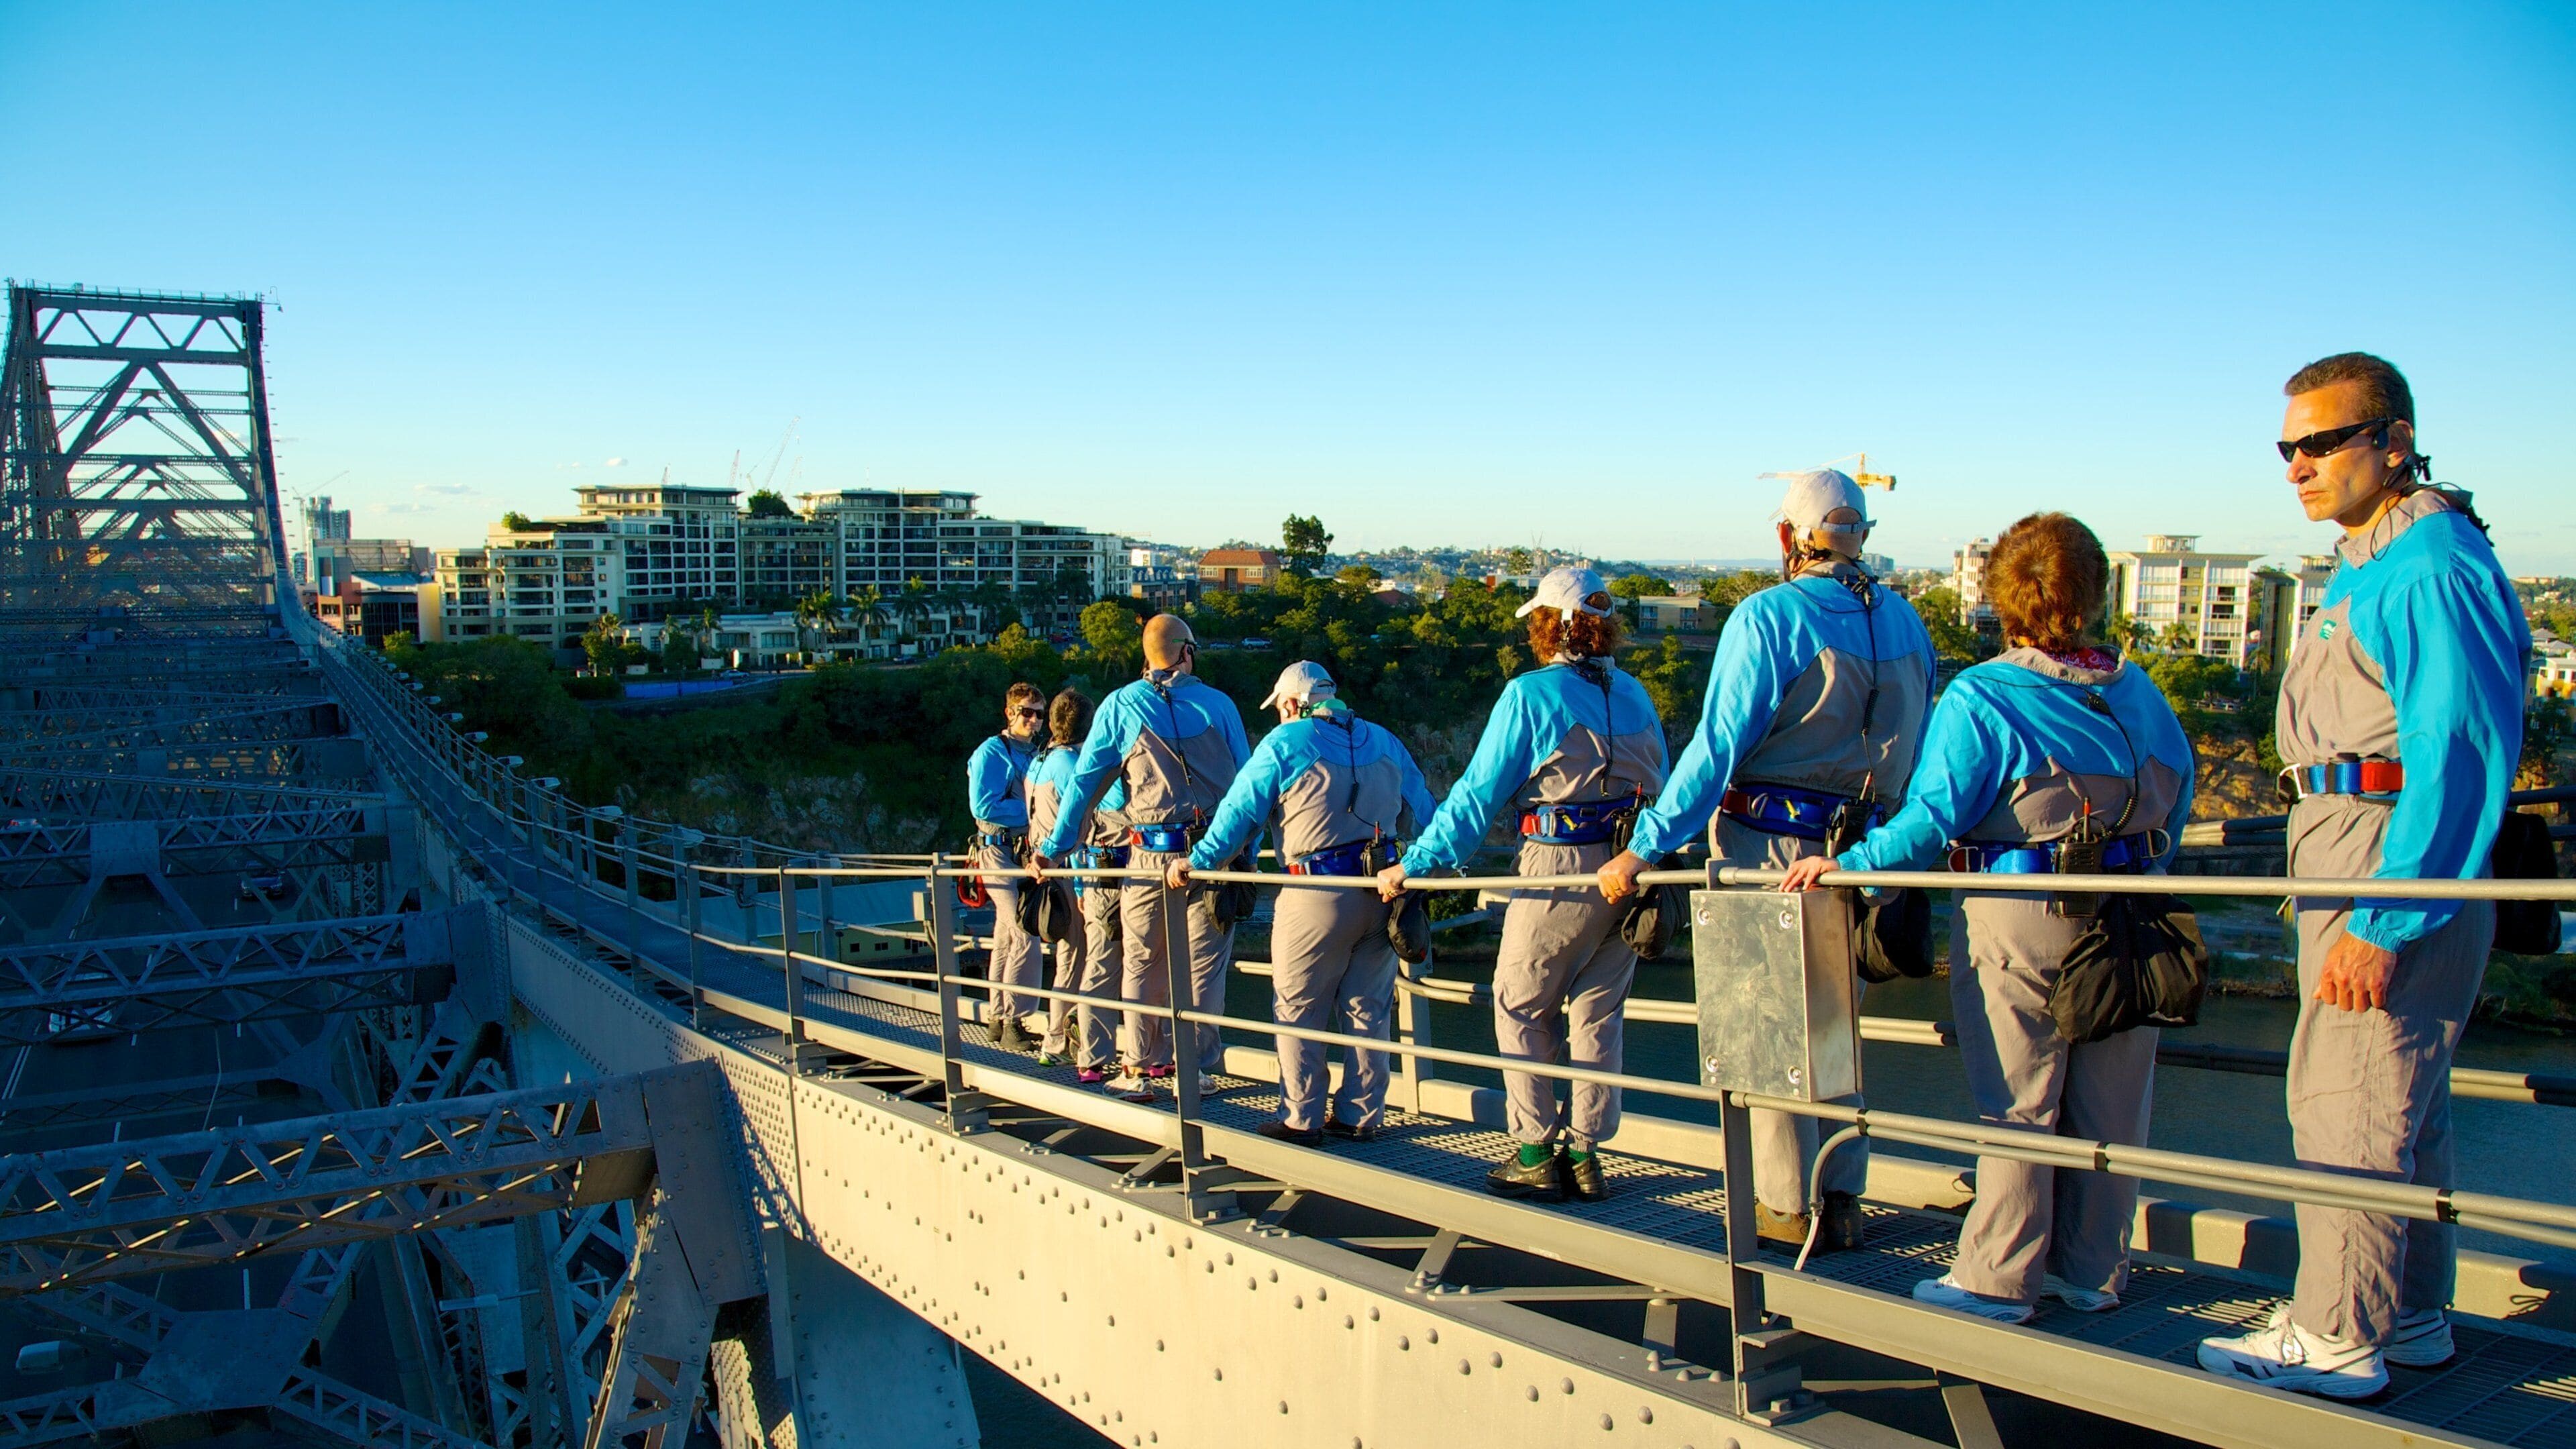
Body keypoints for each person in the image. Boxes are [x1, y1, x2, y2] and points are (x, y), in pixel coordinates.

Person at [2197, 354, 2528, 1399]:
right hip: (2356, 837)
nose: (2298, 465)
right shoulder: (2376, 555)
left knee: (2348, 1101)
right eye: (2287, 447)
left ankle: (2336, 1332)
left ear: (2392, 440)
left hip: (2385, 849)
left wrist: (2383, 919)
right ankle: (2413, 1315)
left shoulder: (2429, 561)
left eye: (2322, 442)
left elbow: (2461, 751)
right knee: (2401, 1108)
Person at [1780, 512, 2194, 1324]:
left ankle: (1999, 1278)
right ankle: (2090, 1271)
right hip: (2136, 914)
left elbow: (1932, 818)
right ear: (2096, 594)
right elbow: (2175, 805)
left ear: (2003, 599)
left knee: (2021, 1100)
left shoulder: (1987, 695)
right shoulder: (2139, 692)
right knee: (2112, 1110)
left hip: (2023, 915)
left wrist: (1849, 866)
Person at [1597, 469, 1935, 1252]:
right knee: (1833, 1029)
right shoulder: (1909, 622)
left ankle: (1784, 1209)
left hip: (1768, 845)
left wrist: (1648, 846)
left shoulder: (1770, 616)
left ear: (1789, 537)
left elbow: (1719, 745)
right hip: (1862, 851)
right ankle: (1840, 1197)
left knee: (1766, 1031)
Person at [1377, 566, 1668, 1201]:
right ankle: (1588, 1156)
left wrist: (1414, 865)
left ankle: (1536, 1150)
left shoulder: (1531, 694)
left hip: (1561, 866)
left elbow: (1476, 801)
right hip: (1631, 871)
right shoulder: (1638, 695)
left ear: (1549, 625)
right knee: (1598, 1013)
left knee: (1520, 1003)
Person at [1171, 661, 1438, 1144]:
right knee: (1367, 1009)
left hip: (1315, 892)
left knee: (1299, 1007)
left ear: (1291, 704)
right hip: (1384, 890)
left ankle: (1302, 1117)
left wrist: (1199, 861)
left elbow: (1239, 814)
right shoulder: (1383, 739)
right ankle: (1361, 1116)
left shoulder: (1285, 742)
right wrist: (1414, 866)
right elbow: (1428, 808)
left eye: (1280, 710)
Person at [1034, 614, 1250, 1100]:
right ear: (1187, 652)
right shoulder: (1220, 706)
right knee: (1203, 967)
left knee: (1141, 962)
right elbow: (1246, 789)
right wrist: (1247, 854)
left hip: (1149, 855)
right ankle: (1195, 1067)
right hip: (1214, 857)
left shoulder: (1121, 705)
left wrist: (1053, 850)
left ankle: (1140, 1067)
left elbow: (1086, 785)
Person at [1027, 686, 1126, 1079]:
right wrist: (1085, 886)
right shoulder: (1073, 764)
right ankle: (1061, 1042)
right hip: (1070, 870)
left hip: (1045, 866)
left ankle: (1064, 1040)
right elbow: (1090, 819)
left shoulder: (1041, 759)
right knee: (1077, 960)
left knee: (1068, 960)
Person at [965, 682, 1048, 1052]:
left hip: (1020, 851)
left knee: (1005, 936)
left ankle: (998, 1018)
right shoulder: (990, 752)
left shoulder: (1035, 754)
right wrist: (1035, 812)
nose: (1033, 720)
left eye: (1039, 714)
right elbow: (983, 806)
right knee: (1023, 931)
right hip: (997, 850)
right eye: (1026, 712)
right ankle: (1014, 1017)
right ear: (1009, 713)